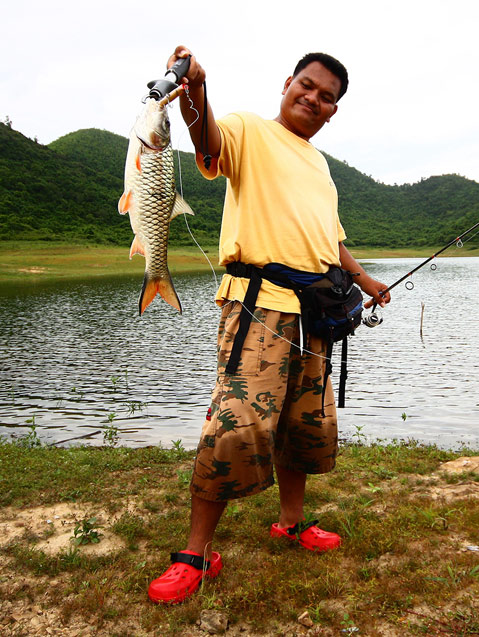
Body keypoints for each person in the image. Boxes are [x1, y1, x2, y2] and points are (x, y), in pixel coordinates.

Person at [147, 45, 391, 604]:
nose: (314, 98)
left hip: (315, 315)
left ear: (334, 111)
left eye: (327, 96)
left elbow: (330, 240)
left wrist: (367, 280)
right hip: (258, 305)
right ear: (287, 83)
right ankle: (196, 554)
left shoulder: (322, 168)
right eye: (307, 85)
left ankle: (291, 521)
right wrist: (197, 93)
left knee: (303, 424)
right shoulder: (250, 130)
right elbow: (207, 144)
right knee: (235, 425)